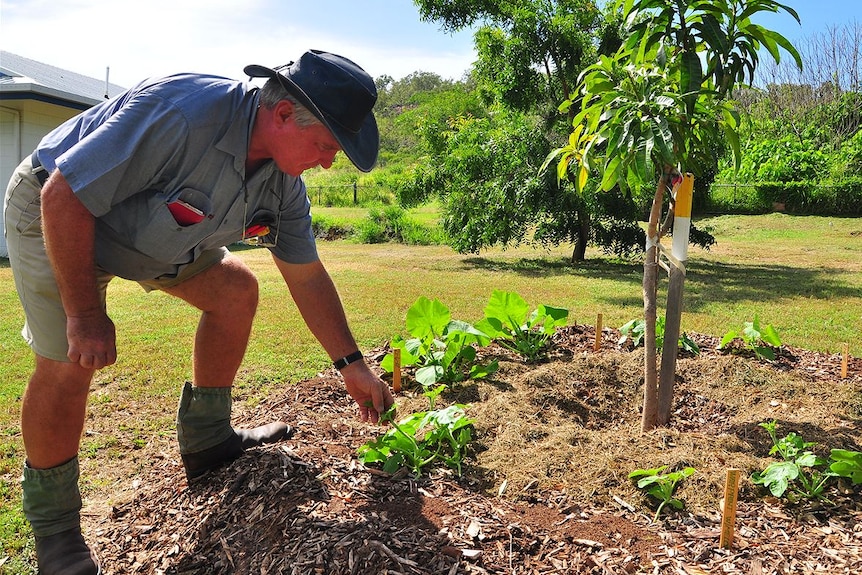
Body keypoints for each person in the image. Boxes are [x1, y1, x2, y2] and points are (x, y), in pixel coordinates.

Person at [3, 49, 395, 575]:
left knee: (235, 290)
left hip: (152, 235)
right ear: (282, 116)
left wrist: (353, 364)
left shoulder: (283, 183)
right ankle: (55, 534)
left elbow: (306, 275)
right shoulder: (183, 113)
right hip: (60, 213)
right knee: (69, 360)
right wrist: (85, 314)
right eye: (326, 146)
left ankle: (209, 441)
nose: (328, 162)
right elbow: (63, 195)